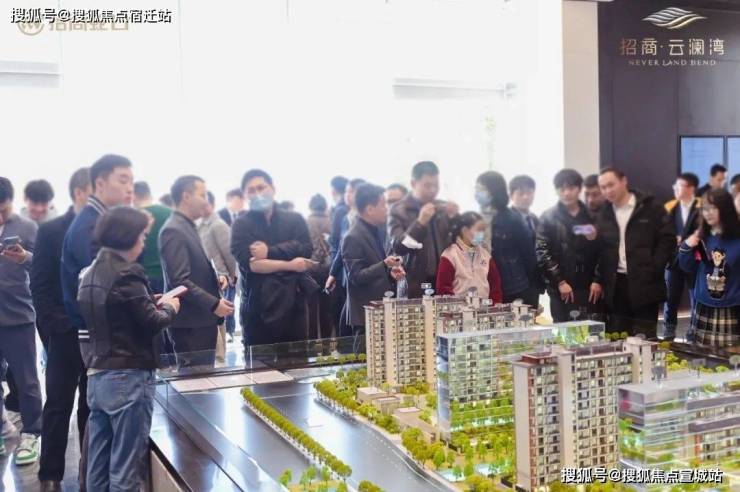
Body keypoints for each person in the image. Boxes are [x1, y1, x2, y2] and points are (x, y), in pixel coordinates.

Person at [77, 206, 180, 491]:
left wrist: (147, 301)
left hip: (97, 374)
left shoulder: (90, 272)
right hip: (128, 376)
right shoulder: (127, 274)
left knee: (97, 467)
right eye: (142, 235)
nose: (144, 242)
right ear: (128, 236)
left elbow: (117, 311)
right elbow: (152, 321)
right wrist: (170, 307)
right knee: (126, 468)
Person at [60, 155, 134, 483]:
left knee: (102, 427)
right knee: (109, 430)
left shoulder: (97, 220)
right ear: (100, 183)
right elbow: (102, 289)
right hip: (102, 339)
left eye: (131, 180)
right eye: (122, 180)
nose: (129, 187)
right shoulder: (91, 226)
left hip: (100, 338)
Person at [33, 168, 91, 489]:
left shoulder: (105, 229)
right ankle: (50, 476)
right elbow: (40, 285)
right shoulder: (51, 230)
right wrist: (58, 327)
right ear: (80, 192)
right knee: (57, 405)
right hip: (64, 334)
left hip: (98, 335)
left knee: (91, 406)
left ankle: (88, 471)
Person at [231, 169, 316, 346]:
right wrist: (291, 265)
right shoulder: (241, 224)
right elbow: (252, 265)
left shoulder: (294, 219)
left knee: (297, 360)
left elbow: (306, 249)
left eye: (261, 187)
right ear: (245, 195)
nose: (257, 194)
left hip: (294, 306)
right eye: (251, 190)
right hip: (257, 309)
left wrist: (269, 252)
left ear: (273, 188)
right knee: (259, 362)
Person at [159, 176, 233, 368]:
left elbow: (191, 272)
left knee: (204, 378)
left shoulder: (187, 226)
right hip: (190, 324)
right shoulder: (174, 230)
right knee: (196, 381)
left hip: (199, 321)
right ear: (186, 196)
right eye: (202, 195)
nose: (206, 201)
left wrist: (214, 280)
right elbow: (179, 280)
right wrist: (214, 304)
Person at [595, 168, 675, 338]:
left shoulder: (651, 208)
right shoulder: (603, 213)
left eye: (611, 185)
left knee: (644, 338)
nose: (608, 191)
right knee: (617, 337)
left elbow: (668, 239)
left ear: (623, 181)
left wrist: (655, 267)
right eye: (603, 187)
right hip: (615, 285)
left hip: (645, 282)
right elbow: (600, 248)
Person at [0, 177, 43, 466]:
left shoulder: (27, 227)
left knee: (26, 380)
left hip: (18, 315)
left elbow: (43, 266)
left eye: (3, 211)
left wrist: (24, 256)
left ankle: (32, 433)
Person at [536, 169, 604, 322]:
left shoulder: (592, 216)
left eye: (571, 188)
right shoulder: (548, 217)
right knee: (561, 329)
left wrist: (598, 280)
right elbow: (542, 251)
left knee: (590, 329)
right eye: (562, 189)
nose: (566, 193)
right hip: (560, 287)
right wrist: (559, 281)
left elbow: (603, 250)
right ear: (556, 191)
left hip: (589, 286)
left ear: (579, 189)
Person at [679, 189, 740, 348]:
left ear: (725, 208)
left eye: (713, 208)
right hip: (704, 305)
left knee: (732, 356)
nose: (708, 213)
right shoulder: (702, 237)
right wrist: (687, 246)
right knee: (702, 354)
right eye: (705, 209)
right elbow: (687, 267)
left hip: (732, 306)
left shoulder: (737, 238)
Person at [342, 184, 406, 336]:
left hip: (381, 308)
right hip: (366, 313)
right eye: (383, 205)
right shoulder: (353, 237)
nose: (387, 209)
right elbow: (356, 277)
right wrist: (384, 264)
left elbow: (375, 265)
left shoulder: (377, 230)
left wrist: (390, 271)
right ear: (370, 209)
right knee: (365, 351)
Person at [389, 161, 458, 298]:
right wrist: (420, 223)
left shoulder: (441, 207)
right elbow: (399, 247)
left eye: (436, 185)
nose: (433, 190)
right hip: (415, 281)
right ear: (413, 183)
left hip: (444, 279)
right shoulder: (399, 210)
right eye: (427, 185)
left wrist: (454, 219)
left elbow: (456, 243)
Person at [663, 173, 702, 341]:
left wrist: (687, 240)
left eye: (679, 186)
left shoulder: (702, 206)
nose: (675, 189)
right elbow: (662, 231)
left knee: (696, 298)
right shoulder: (670, 207)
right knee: (670, 298)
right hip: (673, 260)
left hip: (695, 260)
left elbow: (705, 231)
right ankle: (668, 330)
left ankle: (694, 331)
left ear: (691, 188)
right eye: (675, 186)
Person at [198, 191, 238, 353]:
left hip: (221, 278)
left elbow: (230, 254)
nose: (202, 207)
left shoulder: (218, 225)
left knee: (219, 316)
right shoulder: (200, 224)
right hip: (210, 278)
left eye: (206, 204)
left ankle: (221, 354)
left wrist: (231, 276)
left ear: (213, 205)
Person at [490, 178, 539, 307]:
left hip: (534, 282)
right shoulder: (504, 219)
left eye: (529, 192)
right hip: (516, 284)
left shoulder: (534, 219)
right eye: (521, 193)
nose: (526, 197)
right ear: (511, 195)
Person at [326, 178, 365, 335]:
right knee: (346, 321)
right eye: (347, 191)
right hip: (346, 274)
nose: (347, 195)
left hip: (362, 274)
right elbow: (341, 247)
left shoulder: (367, 219)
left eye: (351, 191)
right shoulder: (345, 217)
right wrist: (333, 273)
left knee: (353, 321)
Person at [436, 211, 503, 303]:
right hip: (459, 310)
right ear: (465, 231)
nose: (482, 234)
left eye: (483, 230)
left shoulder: (485, 255)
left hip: (485, 309)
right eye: (479, 230)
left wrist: (495, 305)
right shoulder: (450, 255)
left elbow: (495, 286)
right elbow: (443, 289)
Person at [133, 181, 172, 294]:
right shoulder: (170, 213)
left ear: (134, 196)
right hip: (168, 275)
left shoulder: (131, 217)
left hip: (143, 277)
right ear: (149, 195)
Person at [306, 194, 333, 339]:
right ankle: (327, 342)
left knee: (311, 308)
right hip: (329, 269)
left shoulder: (306, 222)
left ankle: (312, 342)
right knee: (327, 307)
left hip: (311, 268)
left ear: (310, 206)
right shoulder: (331, 221)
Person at [475, 171, 509, 253]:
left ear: (494, 191)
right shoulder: (477, 217)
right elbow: (475, 245)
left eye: (481, 189)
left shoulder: (509, 219)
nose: (477, 193)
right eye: (476, 189)